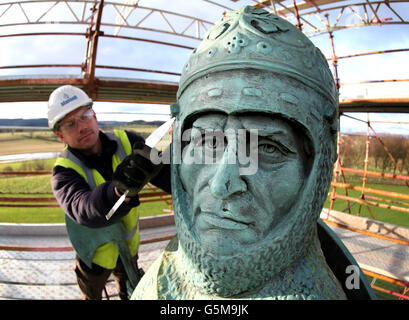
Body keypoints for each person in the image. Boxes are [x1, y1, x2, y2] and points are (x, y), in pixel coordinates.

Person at [132, 6, 375, 299]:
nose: (222, 185)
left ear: (316, 166)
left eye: (267, 148)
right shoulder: (159, 280)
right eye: (208, 142)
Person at [48, 85, 171, 300]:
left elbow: (167, 176)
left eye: (85, 116)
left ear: (95, 116)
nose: (82, 127)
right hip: (94, 255)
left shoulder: (128, 142)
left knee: (131, 292)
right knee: (91, 293)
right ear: (61, 136)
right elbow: (83, 209)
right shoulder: (63, 172)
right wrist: (118, 189)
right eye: (70, 124)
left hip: (128, 246)